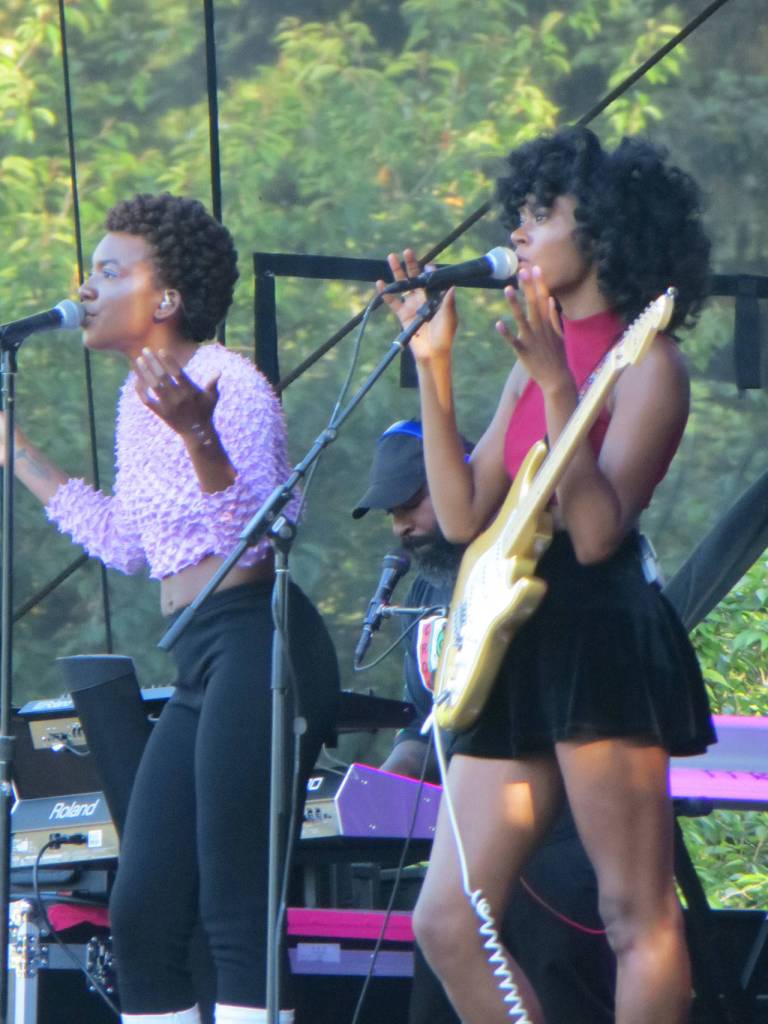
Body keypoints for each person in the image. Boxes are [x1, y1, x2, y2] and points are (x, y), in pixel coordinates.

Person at [379, 126, 716, 1024]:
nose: (519, 233)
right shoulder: (531, 363)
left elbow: (602, 533)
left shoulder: (651, 362)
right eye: (517, 215)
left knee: (631, 911)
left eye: (541, 214)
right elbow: (459, 517)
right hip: (513, 635)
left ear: (600, 231)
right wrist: (434, 365)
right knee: (448, 918)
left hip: (597, 634)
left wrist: (563, 386)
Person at [0, 193, 339, 1024]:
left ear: (165, 300)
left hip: (258, 642)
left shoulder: (231, 385)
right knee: (142, 915)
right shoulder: (132, 403)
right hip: (198, 653)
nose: (87, 285)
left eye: (111, 270)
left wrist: (201, 436)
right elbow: (132, 544)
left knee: (233, 912)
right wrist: (14, 451)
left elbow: (260, 537)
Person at [353, 418, 616, 1024]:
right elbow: (424, 732)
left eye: (411, 501)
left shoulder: (533, 563)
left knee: (565, 988)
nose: (402, 525)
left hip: (554, 834)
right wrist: (371, 792)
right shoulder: (419, 594)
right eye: (390, 512)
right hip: (465, 844)